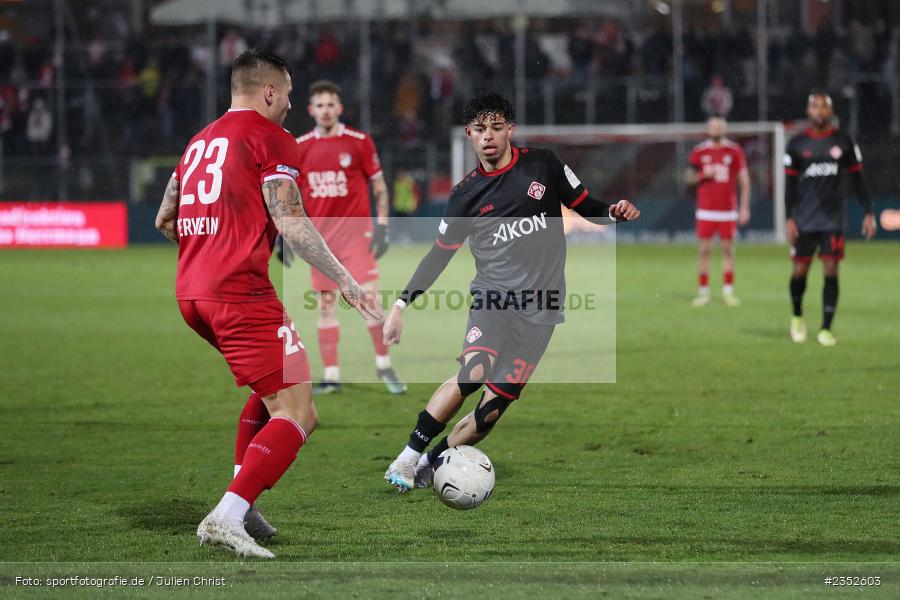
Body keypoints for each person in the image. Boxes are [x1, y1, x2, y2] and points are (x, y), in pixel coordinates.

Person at [155, 49, 381, 558]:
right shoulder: (270, 138)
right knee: (300, 411)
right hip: (239, 292)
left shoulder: (198, 142)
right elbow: (291, 220)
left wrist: (210, 256)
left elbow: (165, 219)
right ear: (271, 91)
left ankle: (245, 502)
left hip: (192, 293)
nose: (290, 109)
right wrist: (346, 280)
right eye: (290, 97)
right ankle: (227, 516)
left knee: (273, 385)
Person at [381, 92, 640, 492]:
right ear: (469, 134)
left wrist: (613, 212)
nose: (489, 136)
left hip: (543, 308)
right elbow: (439, 255)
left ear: (510, 130)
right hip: (493, 298)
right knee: (473, 373)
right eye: (480, 129)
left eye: (497, 127)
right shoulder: (465, 195)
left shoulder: (544, 164)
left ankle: (430, 464)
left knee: (490, 414)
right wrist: (400, 304)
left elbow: (586, 205)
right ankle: (408, 455)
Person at [284, 80, 406, 396]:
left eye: (331, 104)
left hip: (356, 238)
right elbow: (288, 195)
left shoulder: (359, 142)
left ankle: (383, 366)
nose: (325, 110)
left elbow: (379, 187)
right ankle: (332, 376)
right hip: (320, 244)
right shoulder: (300, 147)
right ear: (311, 110)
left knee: (369, 300)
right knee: (326, 306)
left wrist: (382, 226)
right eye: (320, 105)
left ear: (339, 108)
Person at [784, 91, 876, 346]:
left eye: (824, 107)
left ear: (830, 111)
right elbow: (790, 185)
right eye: (815, 106)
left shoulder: (844, 140)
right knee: (799, 271)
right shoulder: (796, 143)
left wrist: (868, 212)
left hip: (833, 220)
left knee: (831, 270)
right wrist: (789, 218)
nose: (820, 111)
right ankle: (797, 315)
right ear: (808, 111)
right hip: (804, 219)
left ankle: (825, 328)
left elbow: (858, 178)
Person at [685, 116, 751, 307]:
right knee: (704, 250)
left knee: (728, 251)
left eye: (719, 126)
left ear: (725, 129)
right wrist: (702, 175)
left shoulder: (734, 151)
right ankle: (703, 292)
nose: (716, 129)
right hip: (706, 210)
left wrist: (744, 207)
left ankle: (728, 291)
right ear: (708, 129)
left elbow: (744, 181)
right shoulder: (699, 151)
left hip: (727, 210)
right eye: (713, 126)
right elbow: (688, 178)